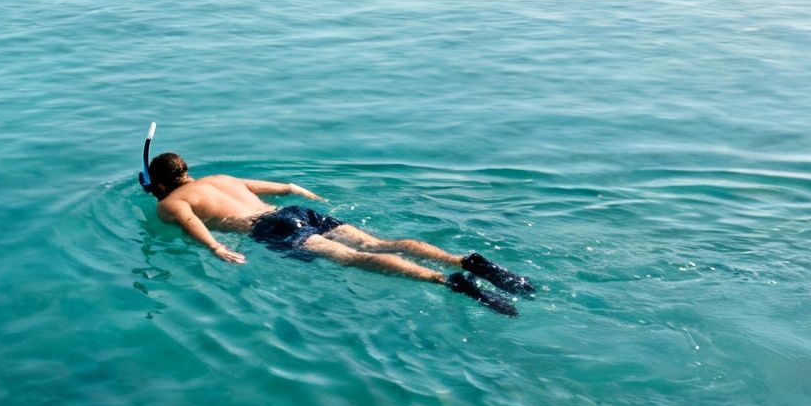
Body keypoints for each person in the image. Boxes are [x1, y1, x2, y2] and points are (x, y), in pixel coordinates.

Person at [141, 151, 532, 316]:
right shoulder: (219, 177)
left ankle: (445, 279)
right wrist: (299, 190)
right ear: (186, 170)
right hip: (289, 210)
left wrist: (214, 248)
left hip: (270, 228)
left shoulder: (168, 203)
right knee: (376, 243)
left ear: (159, 183)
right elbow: (281, 187)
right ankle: (464, 259)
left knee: (352, 258)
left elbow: (190, 222)